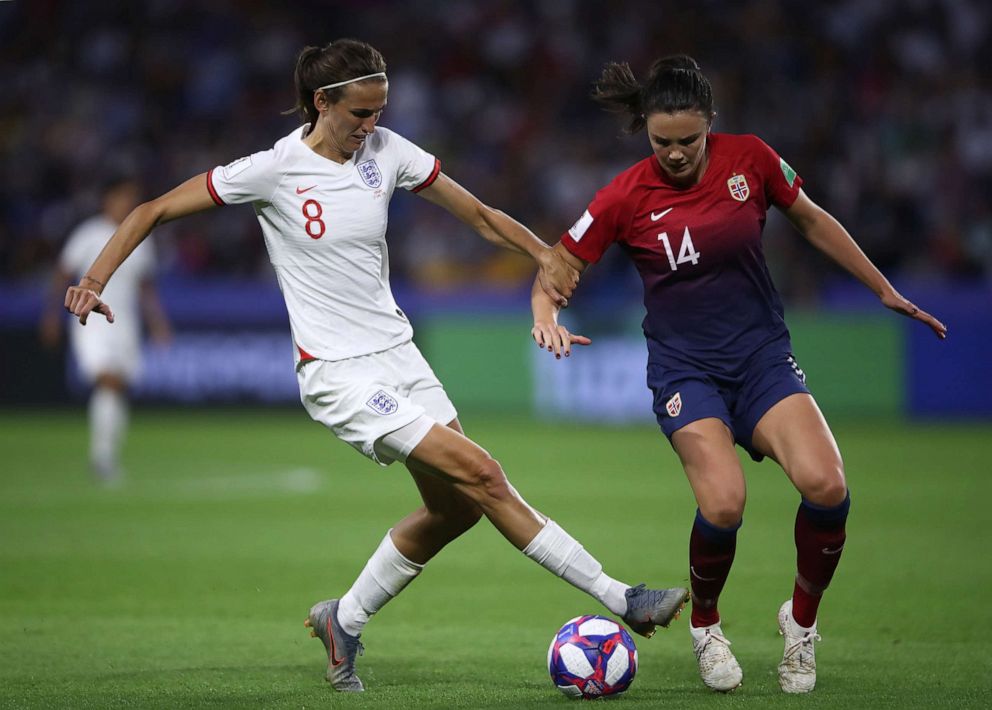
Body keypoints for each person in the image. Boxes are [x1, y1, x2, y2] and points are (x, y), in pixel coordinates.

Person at [63, 39, 689, 692]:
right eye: (360, 112)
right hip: (338, 372)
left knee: (456, 510)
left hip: (399, 354)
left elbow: (476, 214)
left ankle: (345, 619)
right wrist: (95, 279)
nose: (371, 125)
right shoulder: (274, 170)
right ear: (322, 101)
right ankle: (623, 598)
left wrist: (544, 253)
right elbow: (151, 209)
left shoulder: (387, 151)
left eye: (379, 110)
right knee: (483, 472)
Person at [531, 55, 947, 695]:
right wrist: (545, 314)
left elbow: (810, 217)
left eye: (688, 141)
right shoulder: (622, 195)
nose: (674, 154)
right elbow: (555, 270)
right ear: (646, 131)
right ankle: (706, 627)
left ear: (711, 127)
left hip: (760, 358)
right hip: (684, 370)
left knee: (828, 486)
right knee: (723, 504)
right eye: (662, 142)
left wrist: (882, 287)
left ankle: (800, 625)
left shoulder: (751, 159)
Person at [41, 176, 171, 485]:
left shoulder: (141, 236)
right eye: (122, 197)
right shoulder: (88, 234)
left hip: (125, 323)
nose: (127, 203)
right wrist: (50, 316)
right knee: (108, 381)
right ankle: (102, 459)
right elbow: (62, 275)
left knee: (118, 387)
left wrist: (157, 323)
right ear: (107, 200)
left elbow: (145, 287)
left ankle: (108, 454)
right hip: (91, 323)